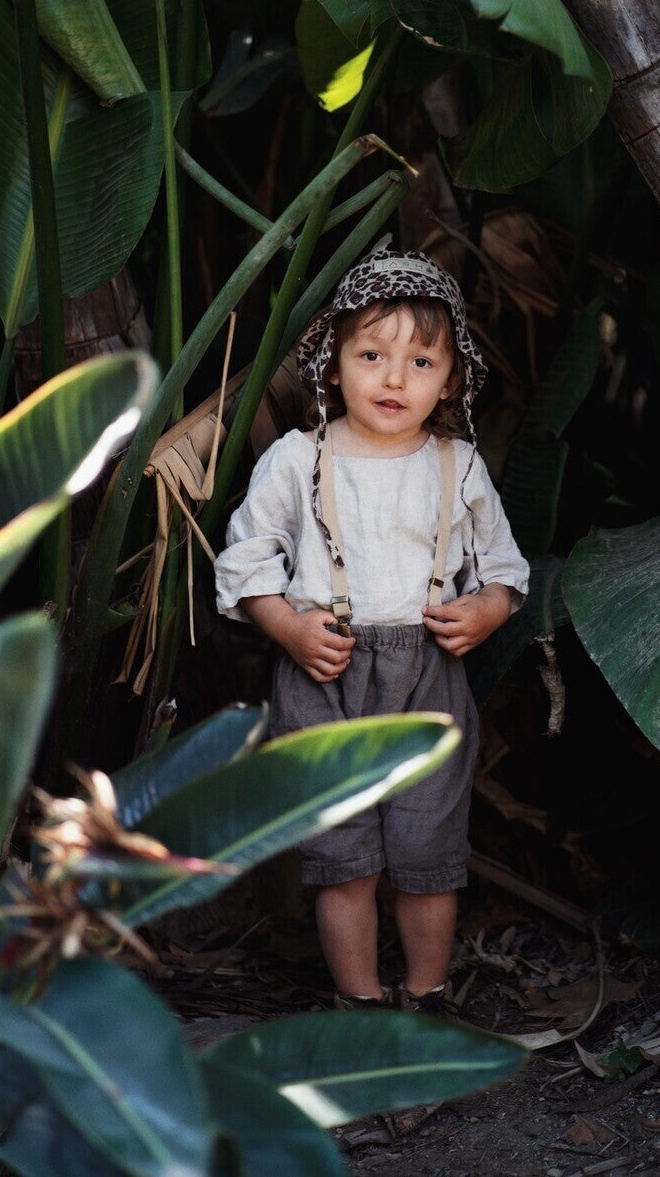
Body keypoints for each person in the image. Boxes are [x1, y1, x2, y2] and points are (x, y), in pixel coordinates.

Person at [215, 247, 529, 1013]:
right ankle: (359, 1005)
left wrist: (485, 610)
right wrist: (288, 628)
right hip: (324, 677)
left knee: (428, 857)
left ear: (451, 379)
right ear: (331, 365)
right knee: (344, 859)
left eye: (421, 361)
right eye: (371, 354)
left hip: (428, 677)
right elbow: (245, 560)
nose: (395, 379)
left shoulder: (457, 464)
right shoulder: (299, 460)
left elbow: (506, 568)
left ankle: (426, 997)